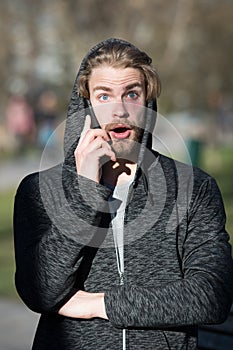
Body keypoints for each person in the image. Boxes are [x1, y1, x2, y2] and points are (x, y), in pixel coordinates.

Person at [13, 38, 233, 350]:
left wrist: (96, 304)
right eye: (104, 96)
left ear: (148, 103)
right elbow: (41, 292)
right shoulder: (39, 191)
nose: (119, 110)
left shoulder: (194, 188)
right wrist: (84, 192)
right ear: (86, 106)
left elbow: (211, 295)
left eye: (131, 94)